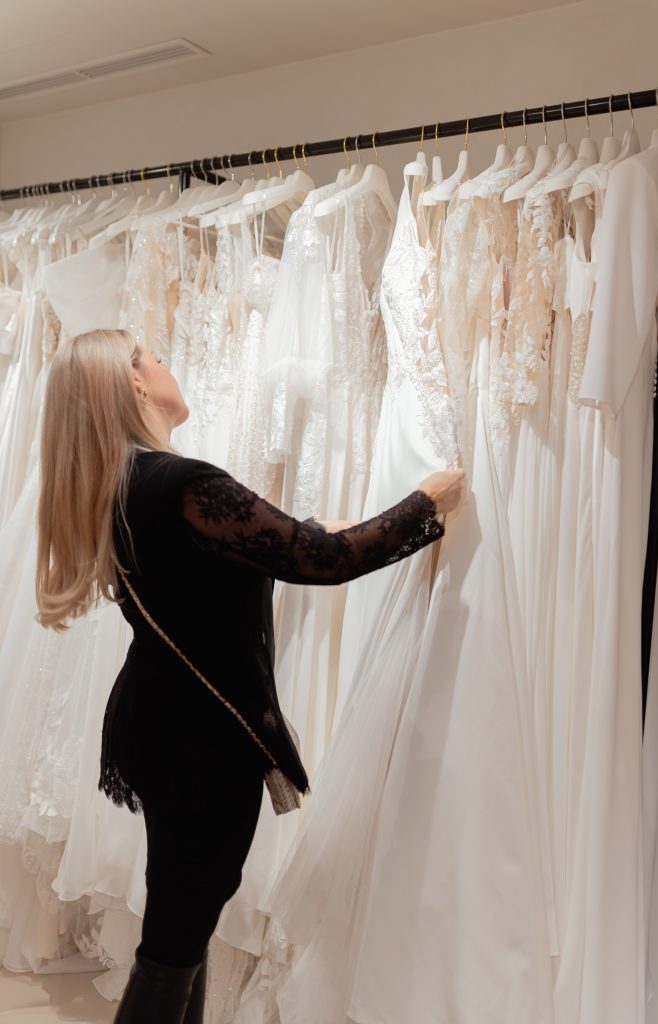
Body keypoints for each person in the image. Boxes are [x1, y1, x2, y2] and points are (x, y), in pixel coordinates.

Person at [35, 328, 466, 1024]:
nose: (168, 365)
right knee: (175, 936)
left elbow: (249, 552)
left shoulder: (128, 485)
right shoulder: (182, 482)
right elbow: (322, 560)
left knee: (185, 917)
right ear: (135, 382)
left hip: (161, 722)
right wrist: (427, 499)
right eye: (156, 357)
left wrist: (333, 525)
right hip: (198, 740)